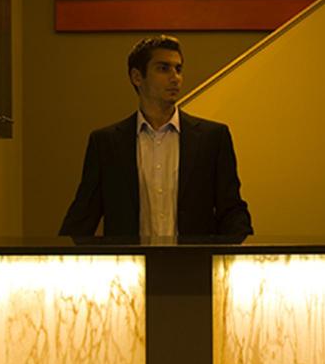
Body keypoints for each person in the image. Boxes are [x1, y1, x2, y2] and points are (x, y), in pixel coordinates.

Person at [59, 35, 253, 238]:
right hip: (131, 258)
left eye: (178, 69)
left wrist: (248, 251)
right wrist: (57, 254)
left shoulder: (212, 139)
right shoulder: (106, 144)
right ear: (137, 77)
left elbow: (231, 211)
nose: (175, 78)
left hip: (193, 257)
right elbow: (83, 214)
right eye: (163, 68)